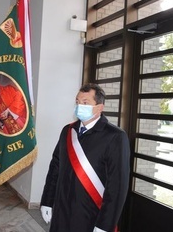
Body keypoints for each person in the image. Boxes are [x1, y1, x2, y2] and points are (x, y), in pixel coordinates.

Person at [40, 83, 130, 232]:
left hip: (90, 216)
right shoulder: (68, 131)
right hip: (61, 212)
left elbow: (117, 187)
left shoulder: (115, 137)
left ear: (99, 107)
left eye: (85, 102)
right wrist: (47, 201)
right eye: (77, 102)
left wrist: (105, 225)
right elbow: (55, 168)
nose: (79, 106)